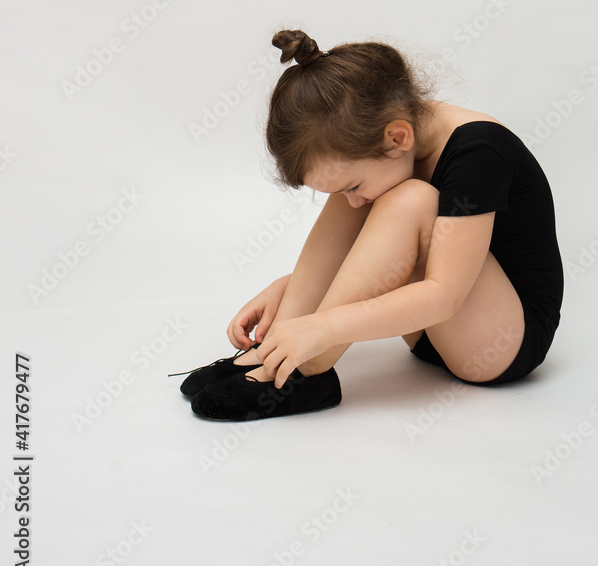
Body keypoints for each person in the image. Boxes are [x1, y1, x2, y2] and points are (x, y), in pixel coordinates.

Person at [172, 29, 564, 422]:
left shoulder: (479, 151)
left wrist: (321, 327)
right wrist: (294, 289)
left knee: (410, 198)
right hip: (427, 332)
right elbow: (391, 253)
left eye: (353, 185)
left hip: (498, 344)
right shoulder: (390, 148)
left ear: (398, 136)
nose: (354, 199)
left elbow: (446, 295)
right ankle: (277, 347)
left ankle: (308, 369)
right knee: (371, 193)